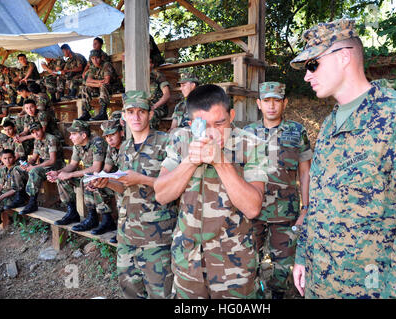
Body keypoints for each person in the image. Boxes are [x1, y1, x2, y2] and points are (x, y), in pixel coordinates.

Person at [289, 19, 396, 299]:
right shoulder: (329, 124)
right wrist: (303, 254)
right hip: (321, 281)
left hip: (372, 288)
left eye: (313, 64)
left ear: (344, 57)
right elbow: (320, 199)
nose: (307, 76)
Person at [154, 84, 268, 298]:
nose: (212, 133)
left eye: (220, 123)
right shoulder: (181, 140)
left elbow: (253, 208)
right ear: (190, 123)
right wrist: (190, 161)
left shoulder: (252, 145)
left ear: (231, 115)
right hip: (187, 261)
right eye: (203, 125)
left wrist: (220, 162)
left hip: (233, 266)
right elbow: (161, 194)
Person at [90, 91, 177, 299]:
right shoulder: (125, 147)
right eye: (131, 112)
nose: (136, 117)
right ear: (124, 117)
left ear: (150, 114)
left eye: (141, 111)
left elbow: (174, 188)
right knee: (130, 290)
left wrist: (142, 179)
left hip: (157, 237)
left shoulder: (166, 142)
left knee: (161, 293)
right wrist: (107, 182)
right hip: (127, 234)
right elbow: (125, 187)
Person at [243, 82, 312, 299]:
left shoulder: (297, 131)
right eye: (267, 100)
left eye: (277, 100)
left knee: (283, 271)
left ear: (285, 103)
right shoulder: (247, 133)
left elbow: (305, 172)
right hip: (253, 212)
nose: (272, 106)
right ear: (259, 104)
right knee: (247, 265)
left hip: (286, 213)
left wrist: (306, 208)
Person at [47, 120, 113, 235]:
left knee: (86, 179)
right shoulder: (77, 146)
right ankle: (72, 212)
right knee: (62, 179)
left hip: (104, 177)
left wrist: (71, 174)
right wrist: (58, 173)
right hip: (90, 175)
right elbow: (72, 165)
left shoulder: (97, 142)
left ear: (83, 135)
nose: (70, 137)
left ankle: (100, 218)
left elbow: (96, 168)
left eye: (73, 134)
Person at [18, 122, 64, 215]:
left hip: (56, 167)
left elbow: (52, 160)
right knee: (17, 169)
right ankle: (19, 196)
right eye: (33, 132)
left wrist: (34, 167)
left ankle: (32, 202)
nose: (36, 134)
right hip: (43, 166)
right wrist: (26, 164)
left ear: (42, 129)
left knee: (35, 171)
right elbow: (34, 158)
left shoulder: (51, 139)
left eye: (37, 131)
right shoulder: (37, 141)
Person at [77, 49, 123, 121]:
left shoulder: (106, 65)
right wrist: (98, 83)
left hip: (114, 88)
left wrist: (95, 83)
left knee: (103, 85)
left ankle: (103, 113)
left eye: (97, 58)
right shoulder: (93, 68)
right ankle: (86, 113)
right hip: (101, 88)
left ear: (101, 58)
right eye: (92, 58)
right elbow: (87, 81)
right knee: (85, 88)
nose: (95, 60)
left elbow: (107, 81)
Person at [0, 149, 28, 225]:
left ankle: (18, 221)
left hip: (16, 196)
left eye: (10, 157)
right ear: (1, 159)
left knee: (1, 203)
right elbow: (1, 185)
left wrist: (0, 197)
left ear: (14, 158)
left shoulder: (17, 169)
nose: (7, 160)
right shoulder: (3, 170)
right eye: (5, 158)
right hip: (5, 194)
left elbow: (16, 189)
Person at [148, 58, 171, 130]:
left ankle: (150, 139)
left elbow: (167, 94)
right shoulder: (138, 76)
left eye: (149, 62)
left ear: (152, 64)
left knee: (151, 116)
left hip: (158, 108)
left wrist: (154, 106)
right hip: (145, 107)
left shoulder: (158, 75)